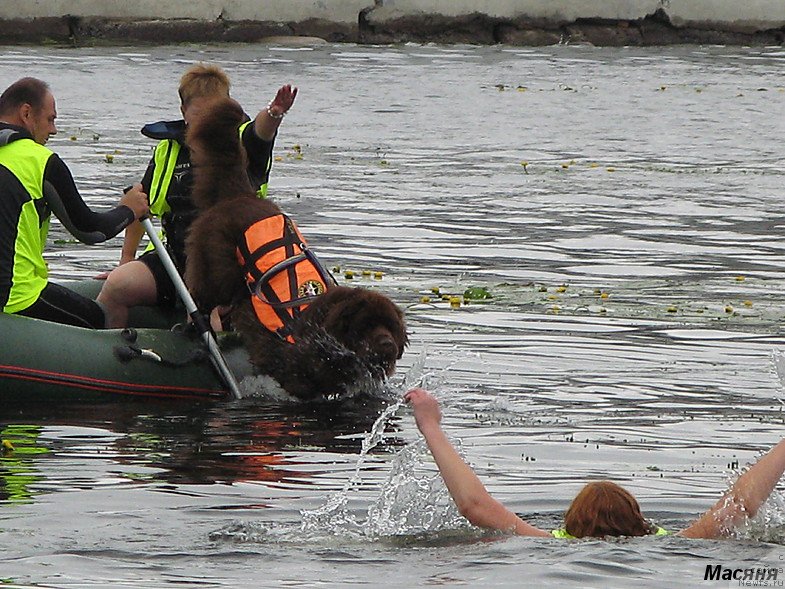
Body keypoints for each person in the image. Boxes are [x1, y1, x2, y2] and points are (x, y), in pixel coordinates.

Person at [405, 387, 785, 540]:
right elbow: (741, 504)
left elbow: (474, 505)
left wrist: (430, 425)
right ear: (641, 522)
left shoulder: (548, 544)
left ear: (568, 525)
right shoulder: (676, 543)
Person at [96, 63, 297, 328]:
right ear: (184, 112)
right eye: (200, 114)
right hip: (175, 259)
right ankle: (116, 349)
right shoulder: (167, 150)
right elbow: (139, 204)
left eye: (215, 114)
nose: (207, 123)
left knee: (203, 314)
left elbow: (262, 131)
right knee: (117, 287)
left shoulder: (242, 142)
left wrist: (274, 113)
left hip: (228, 266)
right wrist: (126, 260)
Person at [0, 77, 148, 329]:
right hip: (14, 297)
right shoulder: (39, 160)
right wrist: (128, 210)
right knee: (98, 317)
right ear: (26, 113)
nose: (54, 130)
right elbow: (89, 231)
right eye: (50, 119)